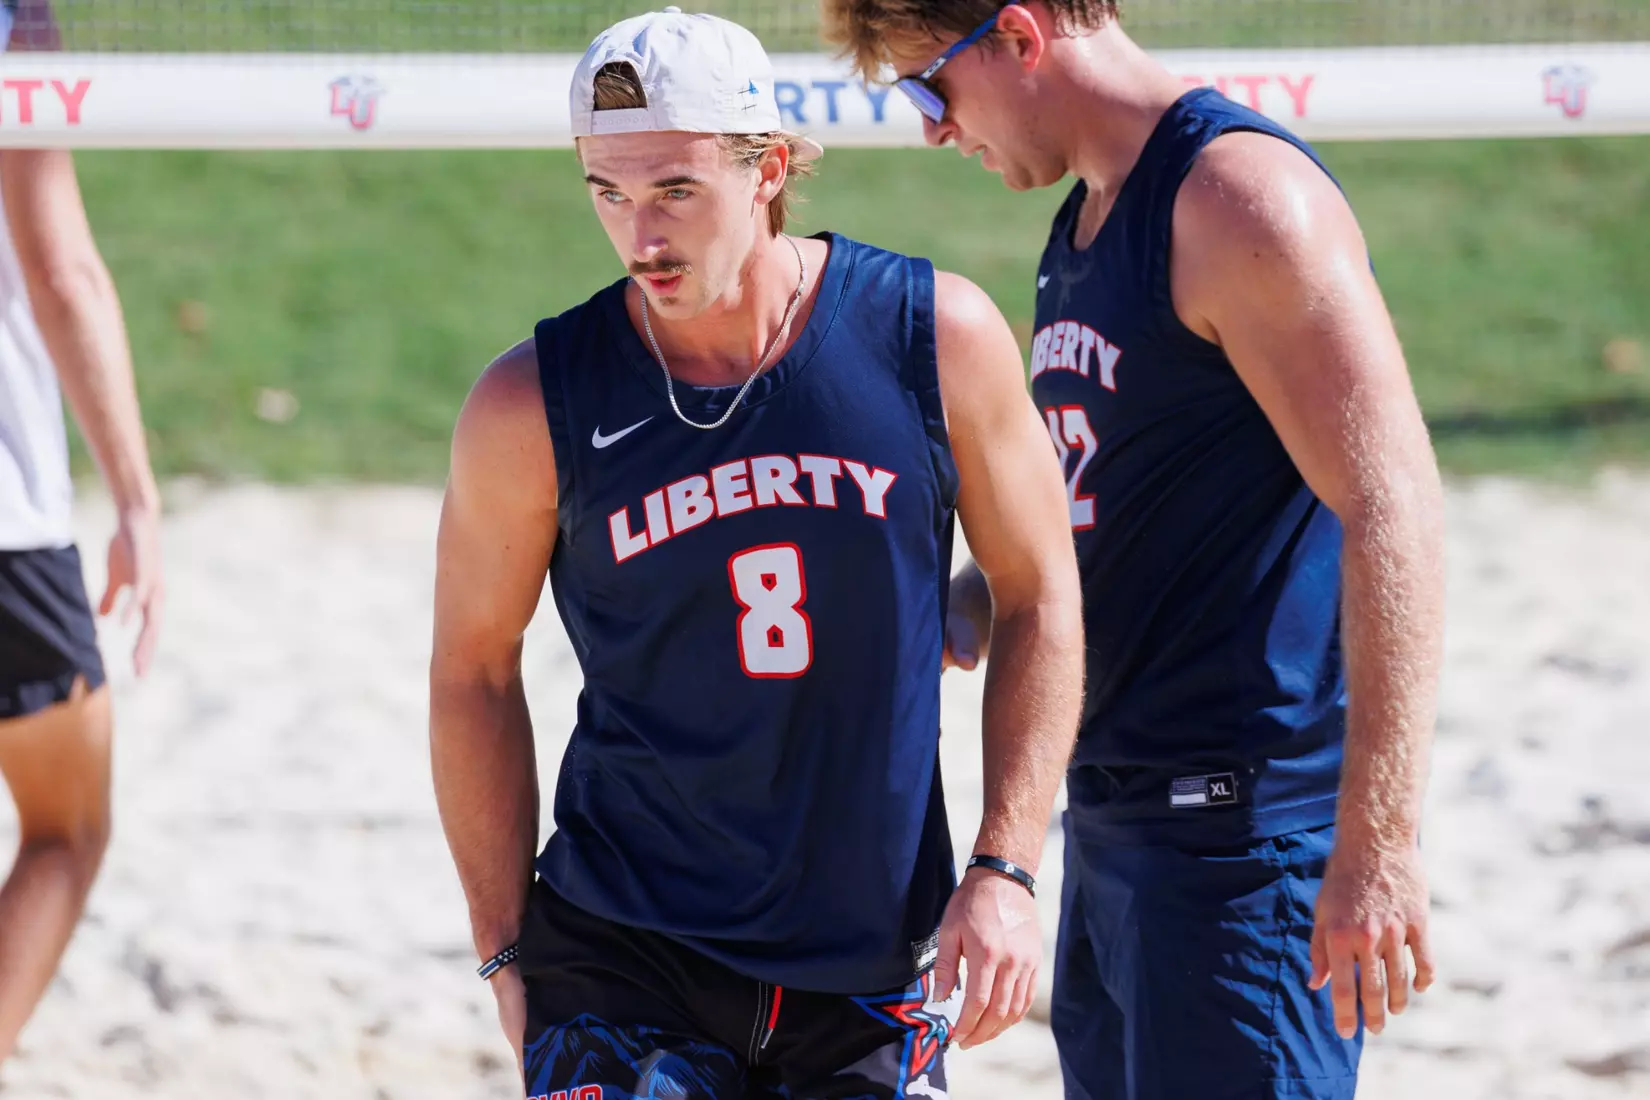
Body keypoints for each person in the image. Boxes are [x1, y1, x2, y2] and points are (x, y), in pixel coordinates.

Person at [428, 9, 1084, 1098]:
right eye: (608, 191)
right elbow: (470, 669)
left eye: (675, 190)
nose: (641, 234)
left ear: (769, 167)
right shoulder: (529, 403)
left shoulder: (935, 339)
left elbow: (1040, 591)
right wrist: (503, 945)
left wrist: (1005, 866)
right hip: (623, 950)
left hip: (871, 957)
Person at [821, 2, 1447, 1098]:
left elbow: (1393, 505)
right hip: (1119, 836)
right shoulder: (1084, 223)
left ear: (1018, 37)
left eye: (931, 90)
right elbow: (1112, 513)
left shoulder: (1235, 197)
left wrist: (1380, 840)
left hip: (1243, 846)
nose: (931, 130)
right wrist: (960, 602)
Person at [0, 0, 165, 1065]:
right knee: (66, 829)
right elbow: (62, 271)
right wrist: (138, 501)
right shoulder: (15, 22)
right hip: (7, 528)